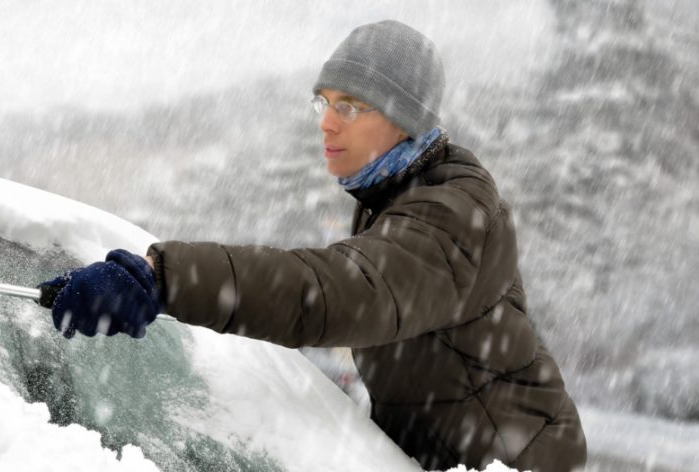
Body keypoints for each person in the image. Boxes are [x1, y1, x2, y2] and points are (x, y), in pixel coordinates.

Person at [38, 20, 588, 472]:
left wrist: (164, 277)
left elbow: (333, 292)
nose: (325, 123)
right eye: (322, 101)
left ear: (404, 119)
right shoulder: (393, 193)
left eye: (349, 105)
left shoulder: (452, 211)